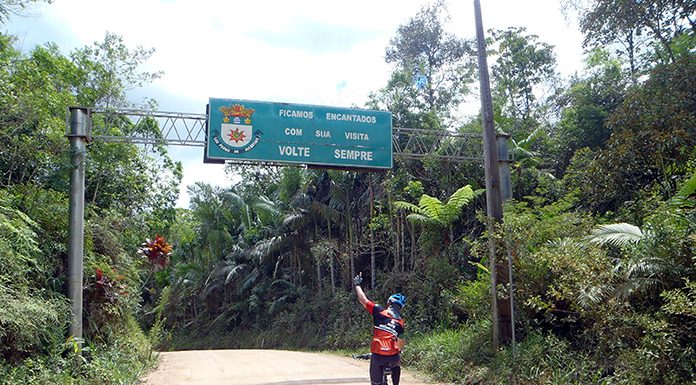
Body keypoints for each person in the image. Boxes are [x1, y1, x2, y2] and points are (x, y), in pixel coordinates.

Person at [353, 273, 406, 385]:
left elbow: (363, 299)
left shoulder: (379, 311)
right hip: (393, 358)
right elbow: (401, 343)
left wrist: (357, 285)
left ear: (389, 303)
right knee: (397, 362)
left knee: (375, 383)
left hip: (378, 356)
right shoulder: (400, 322)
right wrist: (399, 350)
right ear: (400, 307)